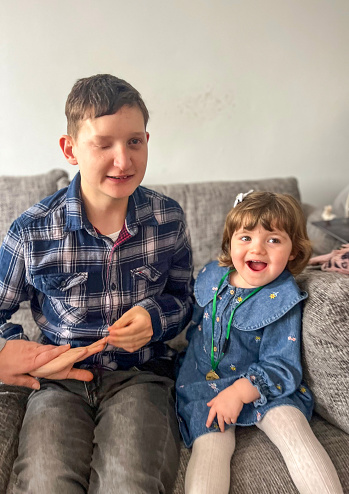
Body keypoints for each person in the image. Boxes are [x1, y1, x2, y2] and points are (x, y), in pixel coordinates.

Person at [0, 74, 193, 493]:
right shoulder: (32, 231)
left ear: (147, 140)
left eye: (134, 142)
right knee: (44, 481)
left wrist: (156, 319)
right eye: (103, 144)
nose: (122, 161)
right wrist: (6, 350)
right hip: (59, 382)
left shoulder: (168, 220)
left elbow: (184, 299)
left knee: (130, 482)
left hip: (142, 378)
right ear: (70, 149)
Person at [176, 191, 343, 494]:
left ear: (293, 251)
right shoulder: (212, 276)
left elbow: (281, 365)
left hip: (265, 384)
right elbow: (193, 325)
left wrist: (241, 392)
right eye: (246, 238)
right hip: (206, 382)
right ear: (230, 242)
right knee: (210, 444)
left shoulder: (282, 297)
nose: (258, 248)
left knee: (294, 428)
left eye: (273, 240)